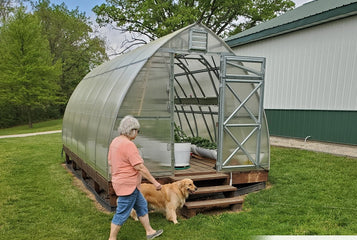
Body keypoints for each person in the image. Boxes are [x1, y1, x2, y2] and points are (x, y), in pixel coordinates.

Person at [108, 115, 163, 240]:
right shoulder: (128, 145)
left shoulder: (115, 141)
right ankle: (112, 238)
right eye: (137, 130)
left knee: (142, 205)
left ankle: (150, 232)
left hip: (125, 183)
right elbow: (140, 167)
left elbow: (111, 162)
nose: (137, 133)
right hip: (128, 185)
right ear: (131, 130)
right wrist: (155, 183)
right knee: (122, 213)